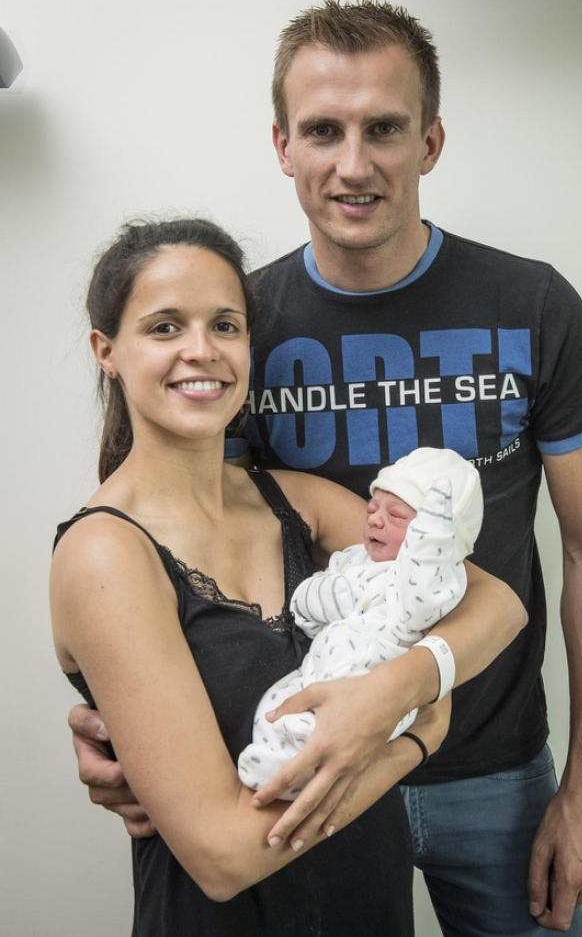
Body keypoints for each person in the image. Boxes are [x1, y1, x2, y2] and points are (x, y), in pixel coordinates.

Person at [70, 0, 582, 936]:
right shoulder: (236, 328)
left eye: (385, 129)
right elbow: (174, 541)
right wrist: (111, 715)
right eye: (324, 130)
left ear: (431, 141)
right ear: (283, 145)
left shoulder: (532, 305)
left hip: (497, 772)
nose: (354, 163)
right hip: (307, 765)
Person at [52, 218, 527, 936]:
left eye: (225, 325)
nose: (201, 350)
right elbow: (222, 856)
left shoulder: (296, 502)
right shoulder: (104, 554)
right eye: (164, 327)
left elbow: (498, 602)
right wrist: (415, 738)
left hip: (371, 906)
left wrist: (402, 687)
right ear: (106, 351)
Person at [238, 447, 486, 795]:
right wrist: (322, 596)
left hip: (372, 684)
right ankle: (268, 768)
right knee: (275, 707)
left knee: (328, 734)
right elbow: (309, 607)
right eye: (373, 508)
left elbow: (421, 597)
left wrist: (431, 536)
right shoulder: (355, 559)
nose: (375, 520)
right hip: (318, 668)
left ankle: (295, 779)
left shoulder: (431, 582)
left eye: (396, 515)